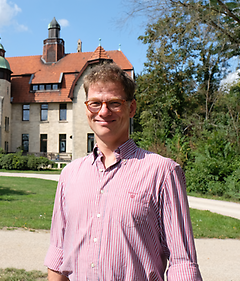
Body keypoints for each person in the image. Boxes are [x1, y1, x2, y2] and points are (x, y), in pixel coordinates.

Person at [44, 63, 202, 281]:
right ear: (86, 108)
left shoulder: (162, 172)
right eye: (95, 103)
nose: (103, 111)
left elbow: (182, 262)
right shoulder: (70, 174)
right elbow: (58, 253)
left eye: (114, 103)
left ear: (132, 108)